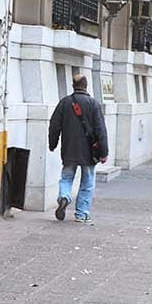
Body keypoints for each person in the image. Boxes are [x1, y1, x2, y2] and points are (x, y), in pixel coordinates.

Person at [48, 74, 109, 223]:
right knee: (87, 182)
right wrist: (104, 152)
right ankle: (81, 214)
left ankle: (64, 197)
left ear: (73, 86)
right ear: (86, 86)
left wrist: (53, 143)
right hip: (89, 151)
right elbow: (101, 129)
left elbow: (54, 125)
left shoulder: (64, 103)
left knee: (67, 177)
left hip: (69, 149)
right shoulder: (93, 104)